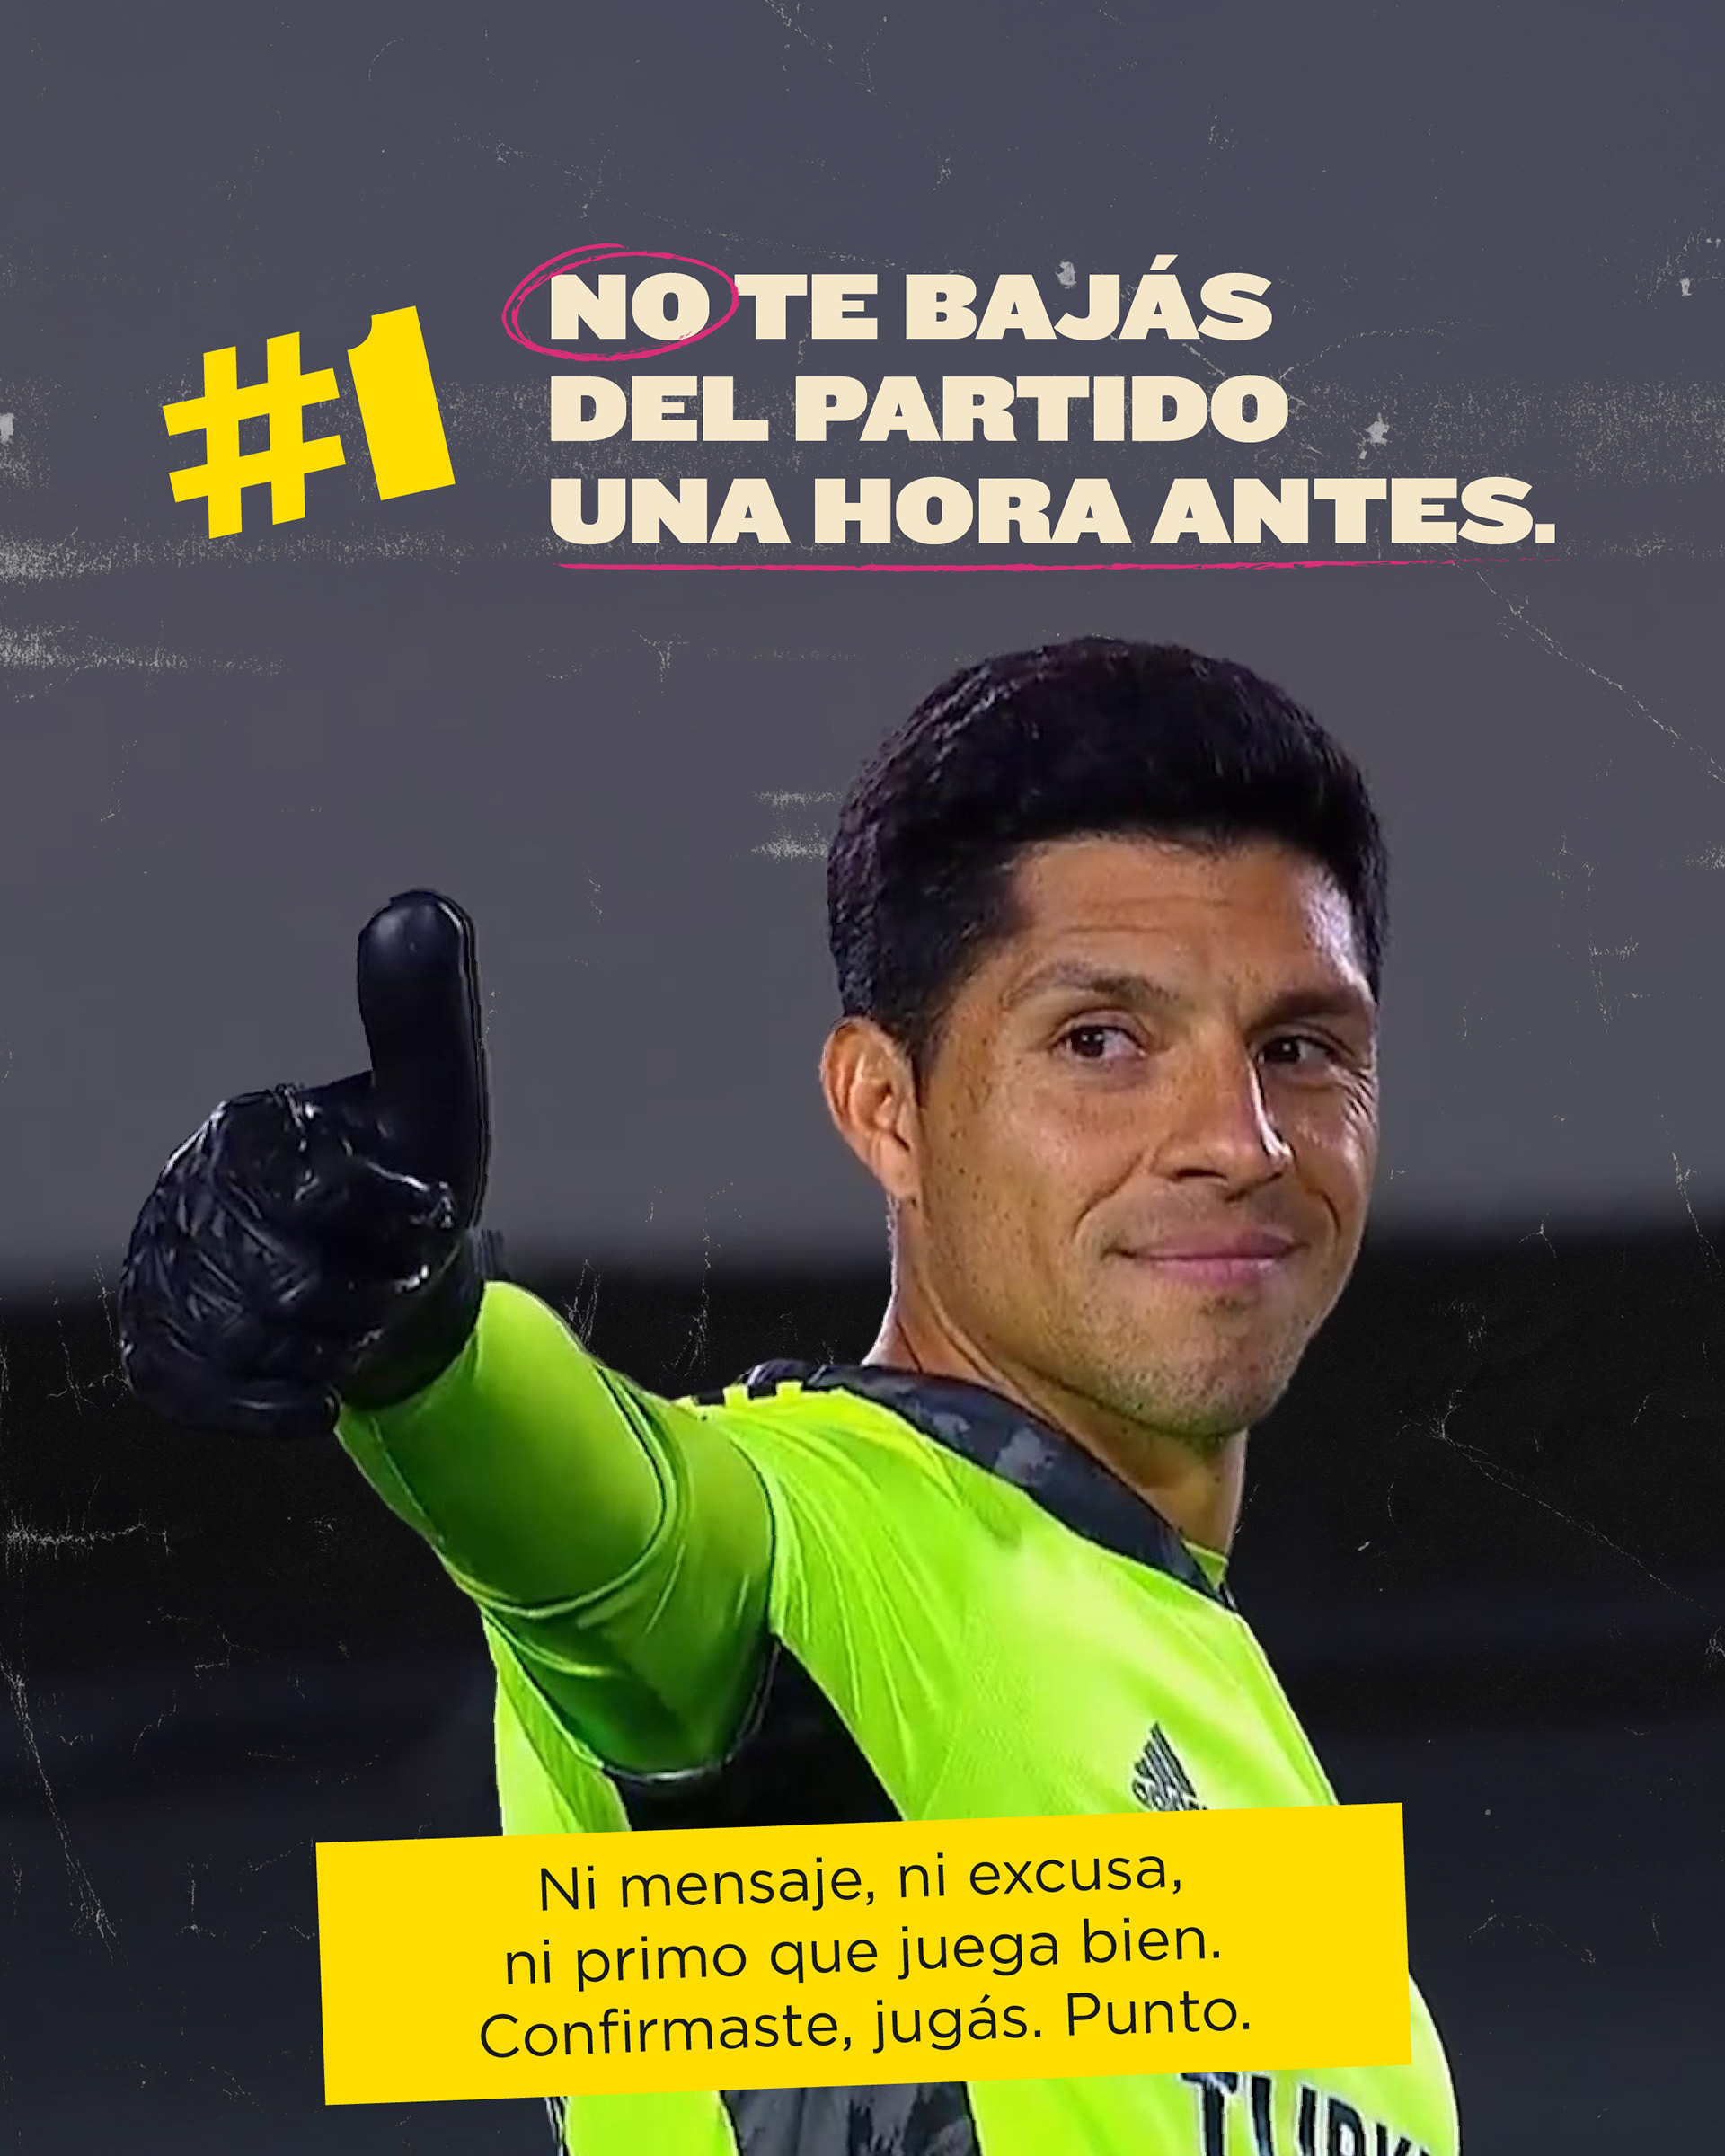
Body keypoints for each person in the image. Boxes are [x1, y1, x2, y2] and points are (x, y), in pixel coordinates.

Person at [118, 639, 1459, 2156]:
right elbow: (627, 1542)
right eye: (1100, 1042)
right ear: (886, 1107)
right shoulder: (841, 1536)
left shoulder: (1259, 1788)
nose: (1242, 1139)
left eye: (1301, 1048)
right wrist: (425, 1350)